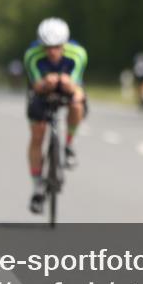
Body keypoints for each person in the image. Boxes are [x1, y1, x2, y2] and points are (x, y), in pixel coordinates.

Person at [23, 18, 88, 214]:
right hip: (42, 90)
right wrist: (45, 84)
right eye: (48, 47)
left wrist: (66, 84)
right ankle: (37, 185)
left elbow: (76, 88)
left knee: (77, 104)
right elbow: (36, 85)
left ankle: (68, 145)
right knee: (37, 134)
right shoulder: (31, 55)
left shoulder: (78, 54)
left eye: (57, 47)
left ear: (65, 44)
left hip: (68, 86)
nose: (52, 51)